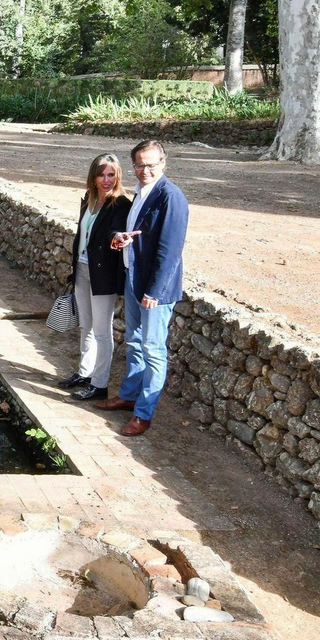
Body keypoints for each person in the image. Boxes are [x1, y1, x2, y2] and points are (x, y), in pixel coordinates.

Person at [99, 139, 189, 436]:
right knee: (134, 342)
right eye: (139, 165)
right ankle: (128, 396)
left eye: (151, 164)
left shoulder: (171, 197)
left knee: (153, 349)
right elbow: (138, 234)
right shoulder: (140, 193)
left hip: (154, 290)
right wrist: (120, 237)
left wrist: (155, 292)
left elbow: (170, 250)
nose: (145, 170)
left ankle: (143, 413)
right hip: (134, 279)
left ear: (163, 163)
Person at [56, 154, 132, 401]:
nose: (106, 180)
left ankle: (100, 385)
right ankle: (84, 373)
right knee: (85, 326)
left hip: (103, 274)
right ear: (93, 176)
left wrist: (117, 237)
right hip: (82, 269)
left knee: (101, 330)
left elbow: (115, 229)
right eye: (102, 175)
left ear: (118, 176)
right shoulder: (89, 198)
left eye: (111, 175)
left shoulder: (120, 203)